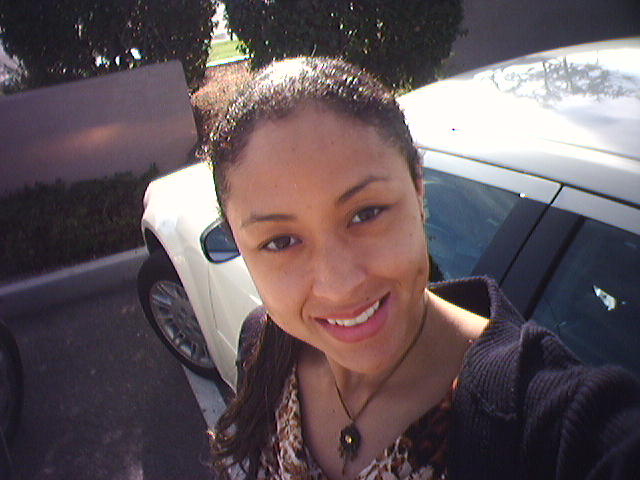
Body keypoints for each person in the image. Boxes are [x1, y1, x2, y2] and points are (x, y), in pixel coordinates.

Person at [207, 57, 640, 480]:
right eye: (280, 242)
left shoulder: (553, 418)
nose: (339, 285)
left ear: (418, 188)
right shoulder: (266, 344)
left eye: (366, 213)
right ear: (239, 243)